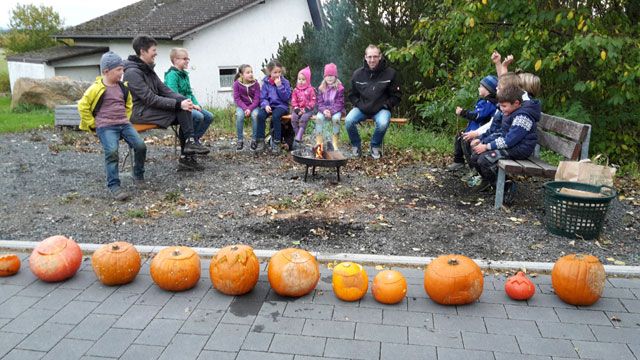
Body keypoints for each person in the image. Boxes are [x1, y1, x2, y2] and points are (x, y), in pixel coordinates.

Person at [123, 35, 209, 172]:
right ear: (142, 51)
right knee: (182, 109)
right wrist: (178, 105)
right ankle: (188, 149)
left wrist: (184, 101)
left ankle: (188, 151)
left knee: (184, 108)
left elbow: (165, 90)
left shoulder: (147, 69)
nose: (156, 53)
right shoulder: (132, 73)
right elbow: (149, 98)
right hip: (140, 113)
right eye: (153, 50)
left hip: (151, 109)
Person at [78, 51, 146, 201]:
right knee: (112, 152)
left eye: (122, 69)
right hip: (105, 126)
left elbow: (128, 104)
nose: (122, 73)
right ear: (106, 71)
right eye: (118, 70)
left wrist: (126, 118)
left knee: (140, 146)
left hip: (123, 123)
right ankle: (114, 185)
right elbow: (82, 106)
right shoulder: (95, 88)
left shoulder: (123, 87)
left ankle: (138, 173)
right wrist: (92, 123)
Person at [469, 85, 541, 204]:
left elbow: (509, 140)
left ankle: (506, 187)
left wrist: (486, 147)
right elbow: (502, 133)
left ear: (516, 103)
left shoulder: (523, 117)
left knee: (485, 160)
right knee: (475, 157)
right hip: (511, 146)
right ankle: (495, 185)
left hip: (520, 150)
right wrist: (483, 141)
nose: (501, 109)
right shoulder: (511, 112)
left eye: (504, 106)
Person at [346, 44, 401, 159]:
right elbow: (351, 94)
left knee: (382, 123)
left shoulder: (390, 73)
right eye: (369, 57)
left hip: (381, 110)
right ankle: (356, 146)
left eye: (375, 56)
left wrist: (386, 105)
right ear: (365, 57)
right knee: (349, 120)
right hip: (362, 109)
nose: (372, 60)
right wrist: (359, 104)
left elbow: (397, 95)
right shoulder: (357, 74)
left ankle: (375, 146)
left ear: (380, 56)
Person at [447, 75, 498, 171]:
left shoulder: (489, 103)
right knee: (459, 136)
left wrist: (463, 112)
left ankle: (474, 169)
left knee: (466, 141)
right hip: (474, 129)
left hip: (480, 132)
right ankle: (458, 161)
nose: (479, 88)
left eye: (481, 86)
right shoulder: (484, 102)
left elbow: (478, 116)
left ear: (488, 89)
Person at [164, 48, 214, 145]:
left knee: (208, 116)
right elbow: (174, 95)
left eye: (188, 59)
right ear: (175, 60)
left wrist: (196, 104)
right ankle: (187, 143)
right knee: (198, 116)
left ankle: (194, 141)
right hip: (178, 107)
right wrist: (192, 105)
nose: (187, 61)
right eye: (184, 58)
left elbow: (189, 93)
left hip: (189, 105)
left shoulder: (184, 75)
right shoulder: (172, 75)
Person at [256, 60, 291, 154]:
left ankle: (276, 143)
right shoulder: (266, 83)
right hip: (269, 105)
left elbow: (286, 98)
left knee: (276, 116)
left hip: (281, 106)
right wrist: (265, 104)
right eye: (275, 72)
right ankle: (260, 141)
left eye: (279, 72)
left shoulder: (285, 82)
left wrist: (279, 86)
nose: (277, 74)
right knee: (260, 115)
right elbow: (263, 97)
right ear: (269, 72)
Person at [315, 63, 345, 149]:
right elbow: (319, 103)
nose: (330, 77)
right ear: (324, 77)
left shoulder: (340, 88)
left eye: (332, 75)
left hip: (336, 110)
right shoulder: (321, 88)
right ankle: (319, 142)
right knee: (319, 119)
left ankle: (335, 142)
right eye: (327, 75)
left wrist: (331, 111)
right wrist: (324, 110)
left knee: (336, 119)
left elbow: (340, 103)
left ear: (335, 76)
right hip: (323, 110)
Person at [233, 64, 261, 151]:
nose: (251, 74)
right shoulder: (236, 84)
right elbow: (237, 99)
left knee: (255, 115)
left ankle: (254, 140)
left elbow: (257, 99)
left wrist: (250, 109)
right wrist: (245, 108)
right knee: (239, 115)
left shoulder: (256, 84)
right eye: (248, 72)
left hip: (254, 106)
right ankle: (240, 140)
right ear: (241, 75)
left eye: (251, 72)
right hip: (242, 106)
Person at [290, 66, 316, 150]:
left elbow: (313, 101)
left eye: (303, 79)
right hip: (297, 109)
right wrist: (297, 110)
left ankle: (299, 136)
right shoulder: (295, 90)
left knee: (303, 118)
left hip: (308, 110)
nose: (301, 81)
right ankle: (299, 136)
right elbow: (293, 101)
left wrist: (305, 110)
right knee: (293, 118)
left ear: (307, 80)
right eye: (299, 79)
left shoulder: (311, 89)